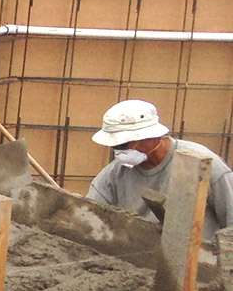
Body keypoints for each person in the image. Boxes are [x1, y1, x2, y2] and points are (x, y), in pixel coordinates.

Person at [87, 99, 233, 241]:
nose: (117, 152)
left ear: (150, 137)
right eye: (114, 146)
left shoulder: (203, 165)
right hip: (135, 257)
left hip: (197, 260)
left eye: (123, 145)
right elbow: (89, 218)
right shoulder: (113, 175)